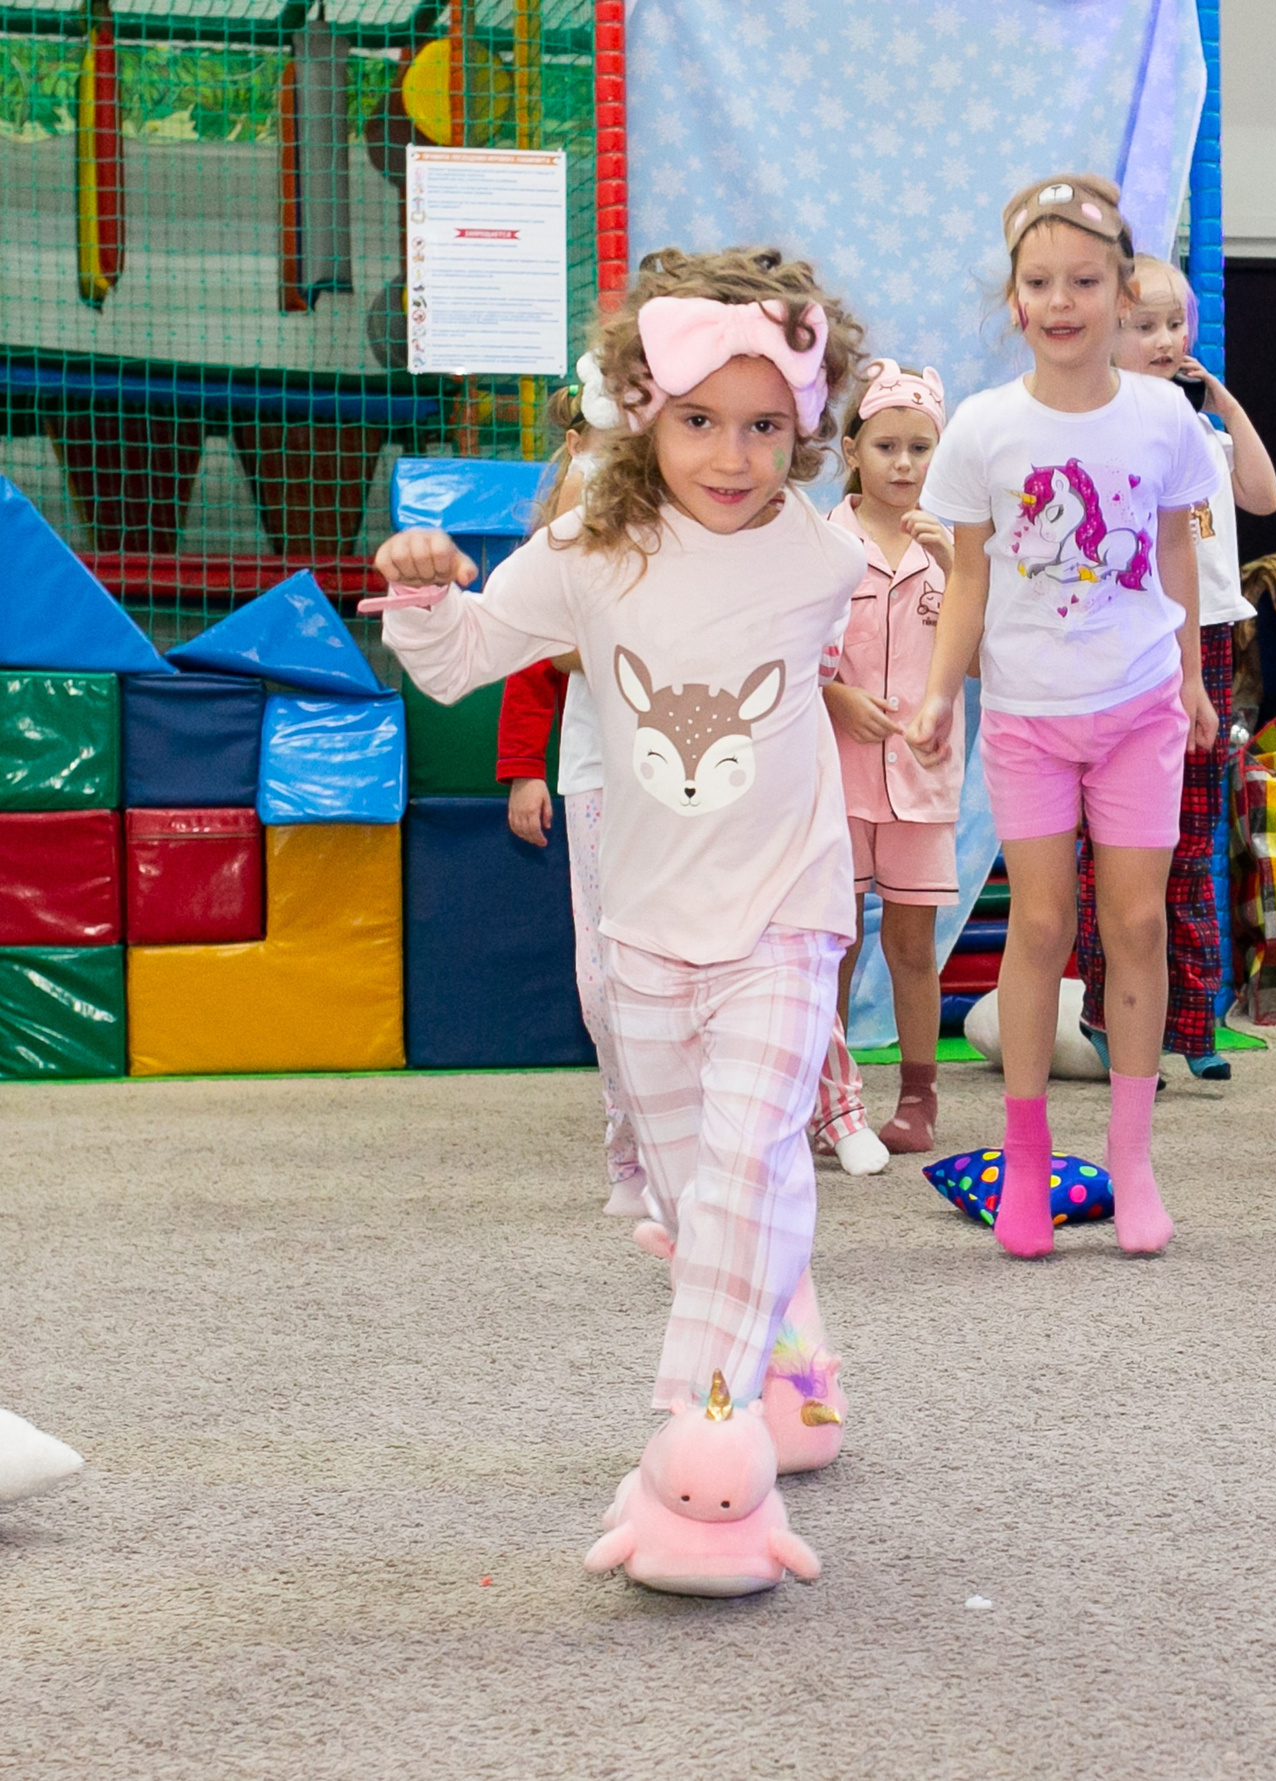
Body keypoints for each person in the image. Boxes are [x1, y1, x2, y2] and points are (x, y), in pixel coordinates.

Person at [363, 248, 872, 1534]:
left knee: (751, 1153)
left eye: (766, 425)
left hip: (785, 910)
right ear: (643, 408)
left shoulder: (822, 555)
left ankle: (697, 1444)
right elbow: (461, 660)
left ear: (806, 424)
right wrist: (424, 594)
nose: (733, 453)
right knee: (706, 1185)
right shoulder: (588, 552)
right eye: (701, 419)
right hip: (641, 926)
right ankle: (792, 1352)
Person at [906, 173, 1220, 1260]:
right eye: (1038, 282)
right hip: (1030, 716)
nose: (1060, 300)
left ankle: (1131, 1158)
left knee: (1132, 922)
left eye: (1083, 280)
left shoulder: (1163, 415)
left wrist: (1188, 676)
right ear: (1013, 298)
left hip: (1137, 706)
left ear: (1120, 286)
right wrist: (942, 690)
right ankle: (1029, 1158)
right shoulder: (984, 429)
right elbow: (969, 581)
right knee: (1040, 924)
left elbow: (1177, 547)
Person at [1073, 254, 1276, 1081]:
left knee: (1195, 836)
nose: (1163, 340)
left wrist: (1220, 399)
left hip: (1215, 641)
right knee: (1117, 844)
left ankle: (1192, 1025)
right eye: (1143, 325)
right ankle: (1107, 1012)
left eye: (1173, 324)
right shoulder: (1100, 428)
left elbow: (1262, 497)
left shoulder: (1201, 429)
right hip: (1132, 643)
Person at [492, 382, 676, 1214]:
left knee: (674, 959)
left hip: (684, 770)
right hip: (600, 772)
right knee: (604, 974)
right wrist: (523, 767)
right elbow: (540, 660)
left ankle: (678, 1137)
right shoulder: (566, 528)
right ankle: (627, 1139)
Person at [811, 359, 958, 1158]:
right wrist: (837, 700)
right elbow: (790, 655)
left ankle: (918, 1096)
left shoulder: (953, 546)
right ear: (853, 450)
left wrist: (965, 570)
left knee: (911, 943)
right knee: (833, 941)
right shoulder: (822, 545)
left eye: (921, 448)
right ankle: (822, 1097)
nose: (904, 465)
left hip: (923, 779)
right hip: (834, 778)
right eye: (888, 446)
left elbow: (980, 657)